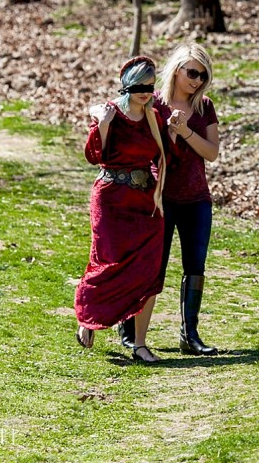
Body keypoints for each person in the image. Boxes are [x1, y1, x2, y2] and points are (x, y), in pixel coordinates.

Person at [117, 43, 220, 356]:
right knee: (151, 267)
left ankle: (190, 335)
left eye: (202, 76)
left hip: (197, 199)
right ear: (177, 69)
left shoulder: (205, 108)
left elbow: (212, 153)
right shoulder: (154, 103)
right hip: (160, 198)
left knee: (195, 266)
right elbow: (145, 148)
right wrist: (170, 133)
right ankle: (130, 329)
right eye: (192, 72)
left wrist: (186, 131)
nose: (196, 80)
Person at [75, 56, 167, 363]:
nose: (145, 92)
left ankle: (139, 343)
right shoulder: (111, 112)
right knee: (108, 262)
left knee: (149, 267)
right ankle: (88, 316)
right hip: (112, 198)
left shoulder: (154, 116)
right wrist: (101, 124)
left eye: (150, 86)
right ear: (127, 85)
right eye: (139, 86)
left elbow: (165, 153)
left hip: (144, 201)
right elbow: (93, 155)